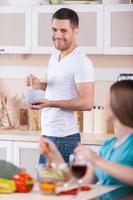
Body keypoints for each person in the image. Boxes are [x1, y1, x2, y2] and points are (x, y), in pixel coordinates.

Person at [26, 8, 94, 164]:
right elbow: (50, 86)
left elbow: (87, 102)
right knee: (45, 186)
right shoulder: (55, 55)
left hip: (64, 139)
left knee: (60, 187)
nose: (57, 35)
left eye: (63, 30)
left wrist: (51, 103)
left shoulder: (81, 62)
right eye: (54, 29)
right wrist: (37, 83)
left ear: (75, 31)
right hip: (48, 135)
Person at [40, 80, 133, 187]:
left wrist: (96, 159)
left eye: (108, 98)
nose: (104, 104)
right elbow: (78, 183)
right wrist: (54, 153)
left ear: (121, 104)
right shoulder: (109, 146)